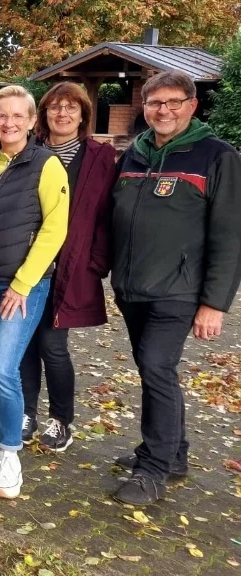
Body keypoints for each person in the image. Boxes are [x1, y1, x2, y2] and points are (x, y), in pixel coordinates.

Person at [109, 70, 241, 505]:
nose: (163, 110)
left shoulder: (216, 156)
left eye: (173, 102)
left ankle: (153, 470)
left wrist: (214, 303)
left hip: (179, 289)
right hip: (132, 287)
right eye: (155, 103)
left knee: (156, 366)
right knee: (154, 370)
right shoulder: (134, 154)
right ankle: (174, 453)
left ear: (191, 105)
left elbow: (230, 236)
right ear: (145, 107)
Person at [0, 85, 69, 500]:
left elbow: (55, 229)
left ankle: (9, 455)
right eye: (1, 115)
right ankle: (0, 437)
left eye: (18, 115)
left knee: (3, 366)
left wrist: (22, 284)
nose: (9, 122)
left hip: (22, 286)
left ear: (32, 121)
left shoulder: (47, 165)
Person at [19, 83, 115, 453]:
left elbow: (107, 214)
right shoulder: (29, 150)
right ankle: (26, 414)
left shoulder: (99, 157)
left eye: (71, 107)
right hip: (26, 263)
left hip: (69, 266)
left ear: (83, 114)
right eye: (55, 107)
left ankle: (61, 420)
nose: (63, 114)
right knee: (24, 343)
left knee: (52, 345)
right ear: (43, 114)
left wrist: (96, 263)